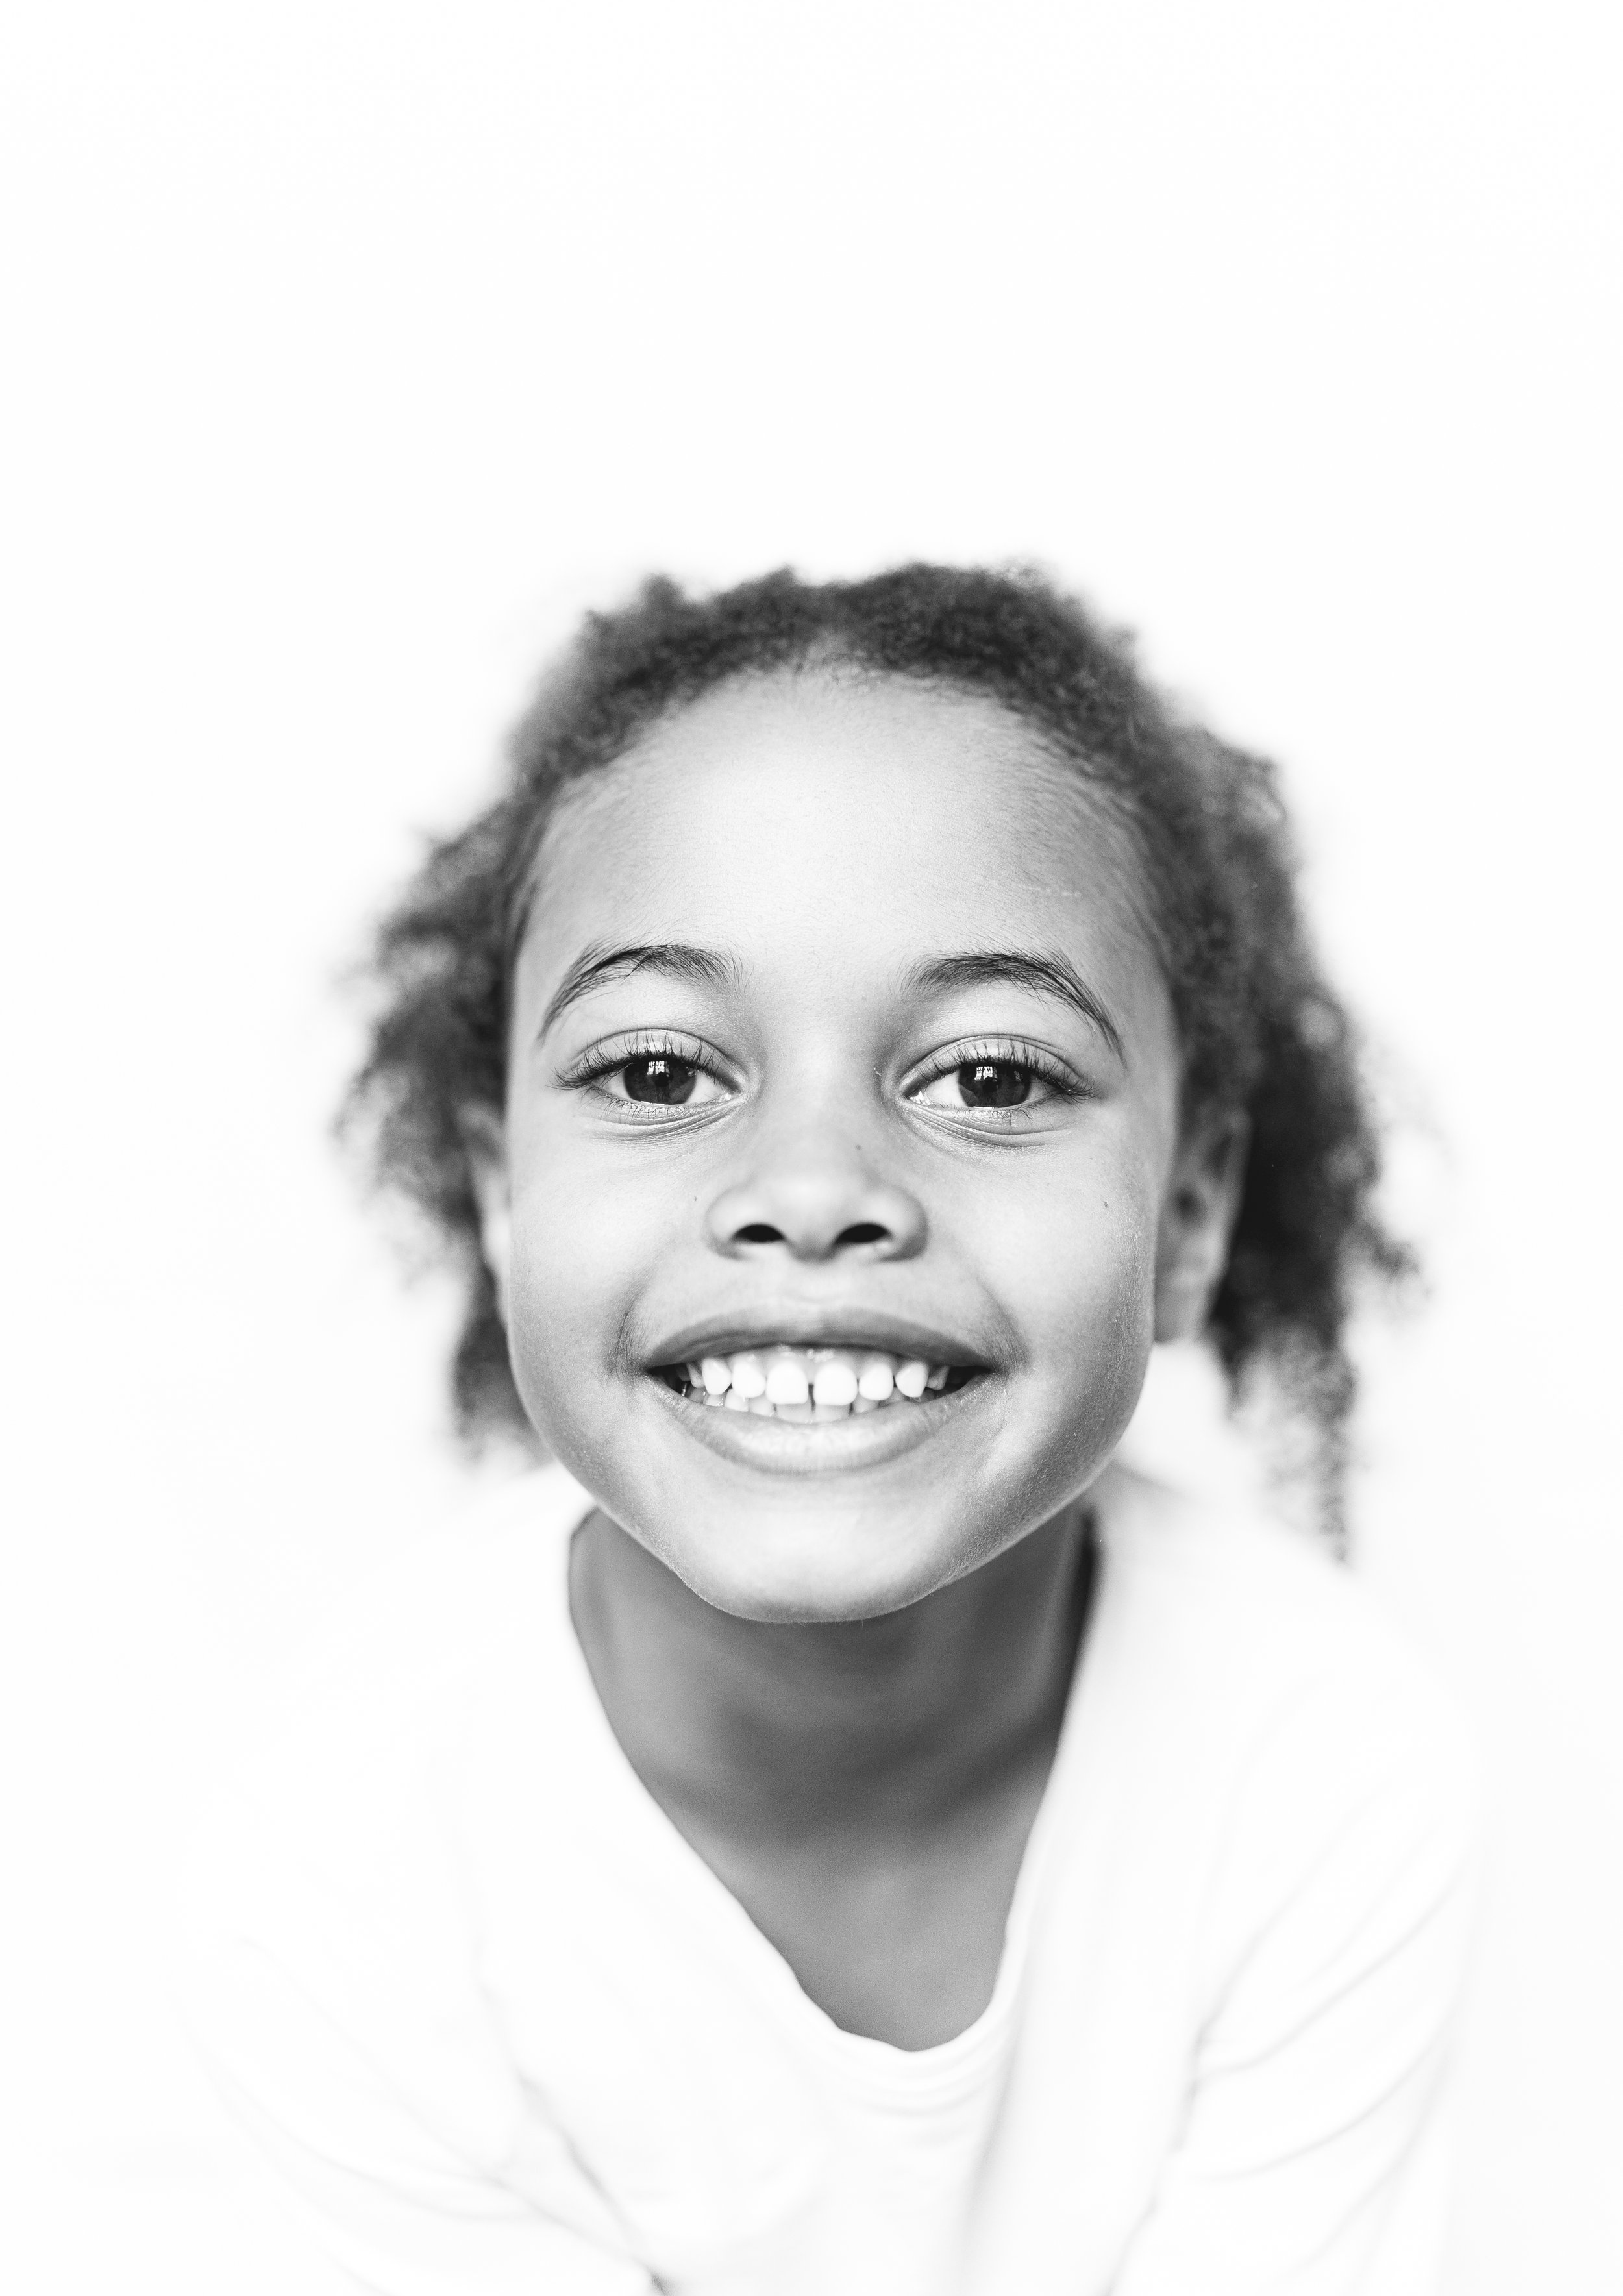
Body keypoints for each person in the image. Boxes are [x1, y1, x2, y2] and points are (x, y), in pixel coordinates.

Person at [178, 565, 1480, 2293]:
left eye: (992, 1077)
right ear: (503, 1200)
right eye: (656, 1075)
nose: (810, 1190)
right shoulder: (349, 1865)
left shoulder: (1316, 1773)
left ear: (1186, 1211)